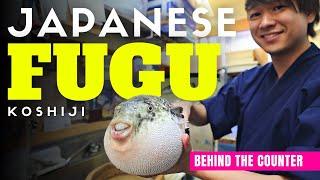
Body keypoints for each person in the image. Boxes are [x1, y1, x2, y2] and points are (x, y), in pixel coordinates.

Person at [169, 0, 320, 179]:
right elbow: (207, 113)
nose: (265, 22)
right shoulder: (250, 79)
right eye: (255, 14)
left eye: (278, 8)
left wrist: (191, 164)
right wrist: (189, 106)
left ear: (309, 13)